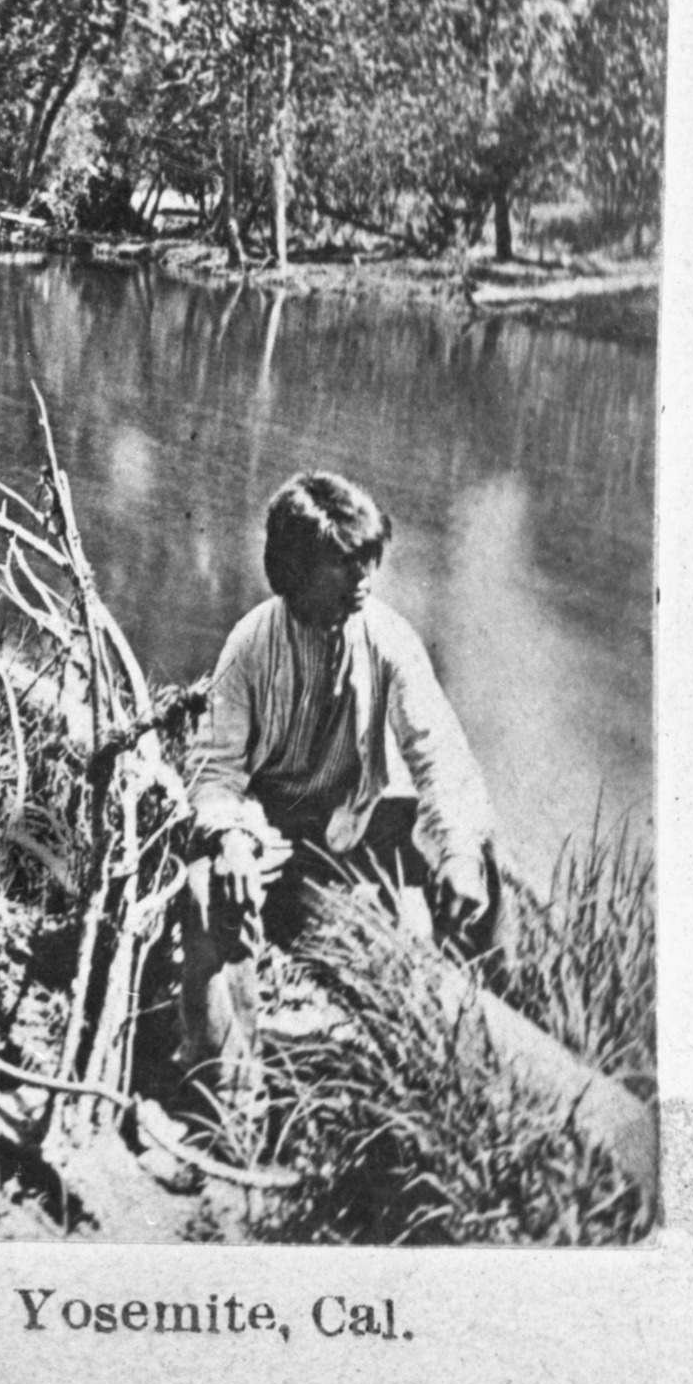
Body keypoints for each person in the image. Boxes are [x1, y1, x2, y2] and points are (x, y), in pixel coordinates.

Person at [179, 470, 504, 1101]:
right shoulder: (251, 645)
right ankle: (228, 1088)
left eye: (369, 562)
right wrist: (232, 840)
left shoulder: (388, 639)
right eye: (343, 566)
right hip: (272, 834)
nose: (364, 580)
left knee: (480, 850)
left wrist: (458, 856)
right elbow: (215, 770)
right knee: (206, 885)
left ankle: (474, 1055)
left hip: (352, 827)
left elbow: (438, 756)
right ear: (295, 571)